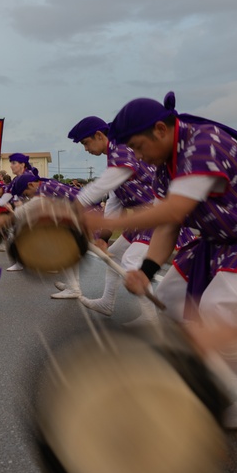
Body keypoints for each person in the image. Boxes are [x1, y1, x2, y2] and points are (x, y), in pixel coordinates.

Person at [84, 92, 237, 428]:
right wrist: (146, 271)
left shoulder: (205, 142)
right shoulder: (164, 167)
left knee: (220, 307)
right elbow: (168, 225)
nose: (136, 154)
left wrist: (106, 223)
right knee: (170, 298)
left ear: (160, 129)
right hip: (217, 243)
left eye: (138, 146)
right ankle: (209, 379)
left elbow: (174, 209)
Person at [67, 115, 163, 323]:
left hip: (157, 215)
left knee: (130, 261)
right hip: (142, 220)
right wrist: (103, 237)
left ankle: (151, 320)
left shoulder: (122, 150)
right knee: (115, 255)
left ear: (99, 135)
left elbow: (101, 186)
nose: (85, 149)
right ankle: (107, 302)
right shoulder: (115, 159)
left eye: (86, 142)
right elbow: (114, 202)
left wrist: (75, 206)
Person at [7, 171, 85, 299]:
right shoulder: (48, 184)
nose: (27, 197)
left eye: (26, 194)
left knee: (65, 248)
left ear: (31, 185)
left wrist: (5, 218)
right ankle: (72, 285)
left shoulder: (43, 190)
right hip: (84, 215)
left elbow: (28, 209)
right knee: (67, 247)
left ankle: (74, 288)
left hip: (90, 216)